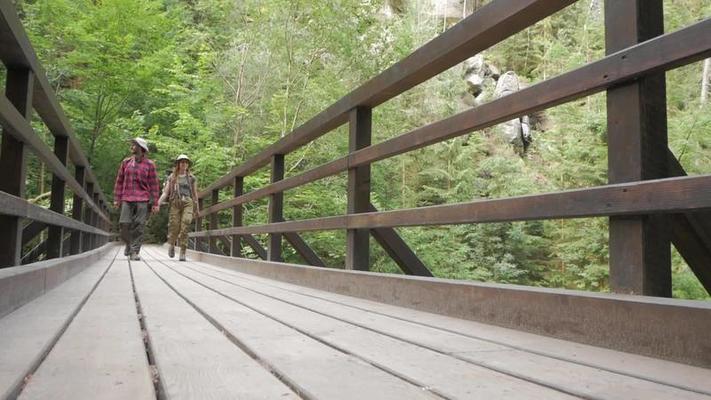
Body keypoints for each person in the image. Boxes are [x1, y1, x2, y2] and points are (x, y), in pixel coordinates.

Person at [113, 137, 160, 260]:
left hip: (142, 198)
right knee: (124, 224)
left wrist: (155, 203)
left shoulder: (150, 165)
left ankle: (134, 251)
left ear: (141, 148)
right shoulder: (126, 162)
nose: (132, 146)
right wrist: (117, 198)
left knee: (139, 225)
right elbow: (119, 181)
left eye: (134, 144)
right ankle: (128, 244)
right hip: (127, 197)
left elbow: (154, 185)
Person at [158, 154, 199, 261]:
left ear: (188, 164)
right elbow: (166, 193)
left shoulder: (192, 178)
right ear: (178, 164)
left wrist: (197, 208)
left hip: (188, 202)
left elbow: (195, 194)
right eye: (182, 162)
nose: (184, 164)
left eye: (186, 162)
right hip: (175, 202)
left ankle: (183, 251)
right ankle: (171, 244)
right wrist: (157, 204)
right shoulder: (172, 177)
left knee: (186, 223)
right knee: (174, 226)